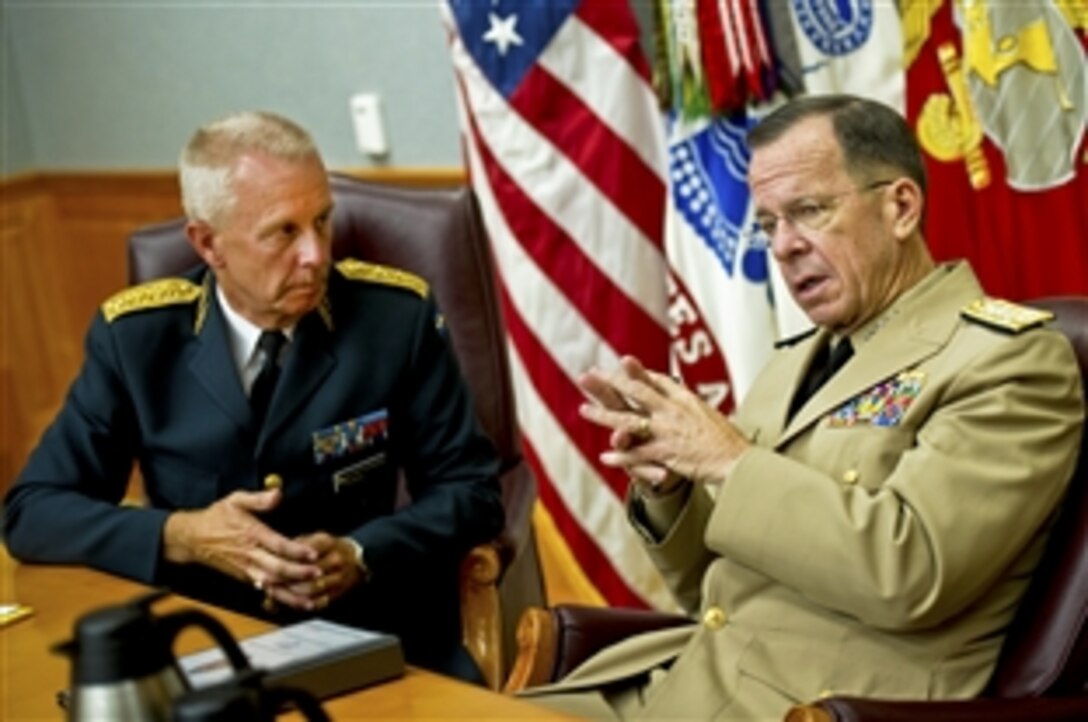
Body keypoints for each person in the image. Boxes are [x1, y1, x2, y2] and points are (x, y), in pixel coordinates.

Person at [524, 95, 1084, 719]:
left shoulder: (1008, 362)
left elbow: (911, 573)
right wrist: (672, 488)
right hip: (675, 681)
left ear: (900, 207)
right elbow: (709, 588)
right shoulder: (792, 362)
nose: (784, 247)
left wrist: (731, 463)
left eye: (809, 211)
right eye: (767, 225)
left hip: (808, 707)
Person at [2, 111, 504, 682]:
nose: (316, 254)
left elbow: (473, 491)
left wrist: (362, 555)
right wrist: (181, 536)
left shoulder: (395, 319)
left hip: (380, 638)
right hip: (211, 645)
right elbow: (32, 511)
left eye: (322, 220)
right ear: (208, 243)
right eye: (283, 232)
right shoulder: (138, 338)